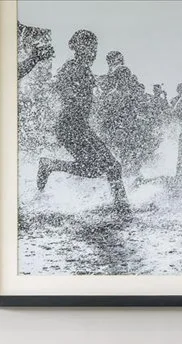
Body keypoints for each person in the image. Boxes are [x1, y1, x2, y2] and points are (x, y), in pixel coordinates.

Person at [36, 30, 128, 212]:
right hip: (70, 125)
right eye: (89, 48)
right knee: (111, 167)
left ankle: (50, 164)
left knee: (102, 168)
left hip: (78, 126)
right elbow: (61, 85)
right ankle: (122, 208)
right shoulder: (72, 66)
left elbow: (96, 91)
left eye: (95, 48)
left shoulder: (85, 69)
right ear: (77, 47)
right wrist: (72, 96)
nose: (93, 53)